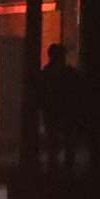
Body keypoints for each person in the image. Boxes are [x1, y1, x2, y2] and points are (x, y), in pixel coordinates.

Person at [37, 43, 83, 172]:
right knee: (68, 140)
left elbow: (40, 92)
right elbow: (78, 91)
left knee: (52, 139)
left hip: (51, 110)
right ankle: (67, 167)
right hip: (66, 111)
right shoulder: (69, 73)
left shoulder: (45, 73)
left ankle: (53, 166)